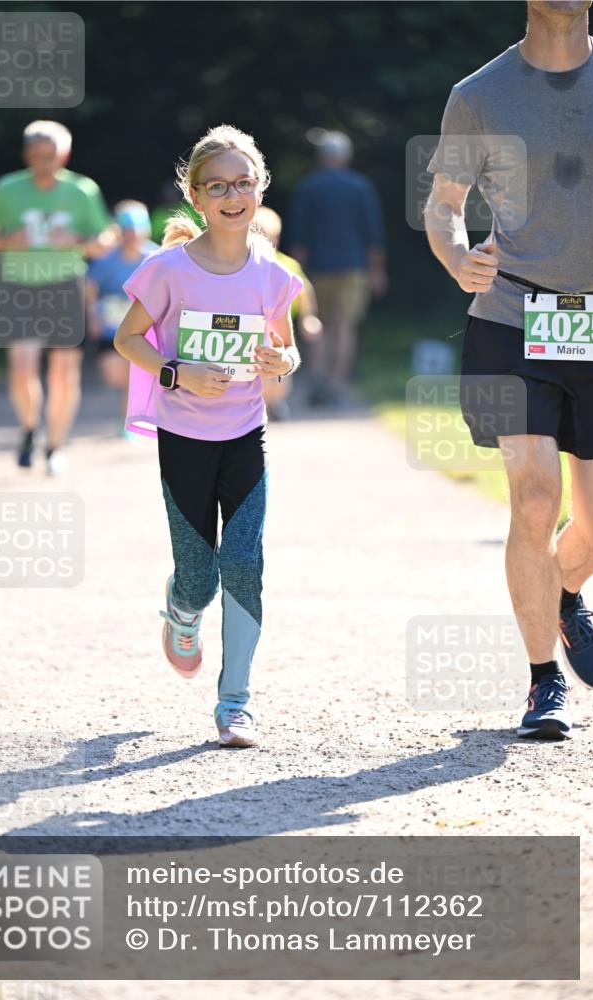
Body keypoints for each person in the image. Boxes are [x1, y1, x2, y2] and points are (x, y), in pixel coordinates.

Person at [425, 0, 593, 740]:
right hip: (512, 315)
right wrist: (455, 255)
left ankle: (560, 594)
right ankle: (541, 685)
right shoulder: (479, 94)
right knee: (533, 500)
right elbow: (441, 205)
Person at [113, 125, 303, 748]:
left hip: (246, 433)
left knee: (245, 563)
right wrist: (178, 372)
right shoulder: (168, 269)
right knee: (200, 580)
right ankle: (181, 607)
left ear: (260, 189)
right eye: (217, 185)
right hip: (183, 438)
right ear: (195, 196)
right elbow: (127, 339)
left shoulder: (271, 273)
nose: (232, 195)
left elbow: (285, 347)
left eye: (243, 183)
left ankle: (236, 702)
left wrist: (283, 363)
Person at [0, 120, 114, 474]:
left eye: (50, 156)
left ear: (63, 154)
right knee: (22, 366)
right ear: (26, 156)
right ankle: (30, 428)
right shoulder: (7, 189)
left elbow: (104, 241)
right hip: (21, 286)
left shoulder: (83, 190)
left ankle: (54, 446)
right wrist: (7, 241)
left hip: (65, 286)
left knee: (64, 373)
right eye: (37, 156)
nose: (44, 163)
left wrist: (79, 242)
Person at [289, 130, 387, 406]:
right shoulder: (361, 186)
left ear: (321, 157)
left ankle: (317, 378)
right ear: (346, 156)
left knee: (315, 323)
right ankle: (337, 384)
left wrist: (297, 272)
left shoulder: (308, 187)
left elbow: (299, 237)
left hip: (316, 269)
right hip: (353, 268)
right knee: (344, 326)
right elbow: (373, 234)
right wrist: (377, 270)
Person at [85, 200, 157, 434]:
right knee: (115, 373)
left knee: (135, 367)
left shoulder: (156, 257)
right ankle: (132, 414)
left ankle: (130, 421)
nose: (132, 236)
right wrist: (92, 316)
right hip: (111, 330)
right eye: (127, 231)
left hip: (147, 330)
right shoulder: (106, 259)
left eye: (136, 231)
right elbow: (89, 288)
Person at [253, 205, 322, 420]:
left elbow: (305, 291)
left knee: (282, 368)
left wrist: (308, 317)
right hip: (255, 329)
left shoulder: (287, 264)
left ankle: (277, 401)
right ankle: (262, 404)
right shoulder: (245, 265)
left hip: (282, 330)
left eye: (272, 238)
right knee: (260, 371)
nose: (268, 243)